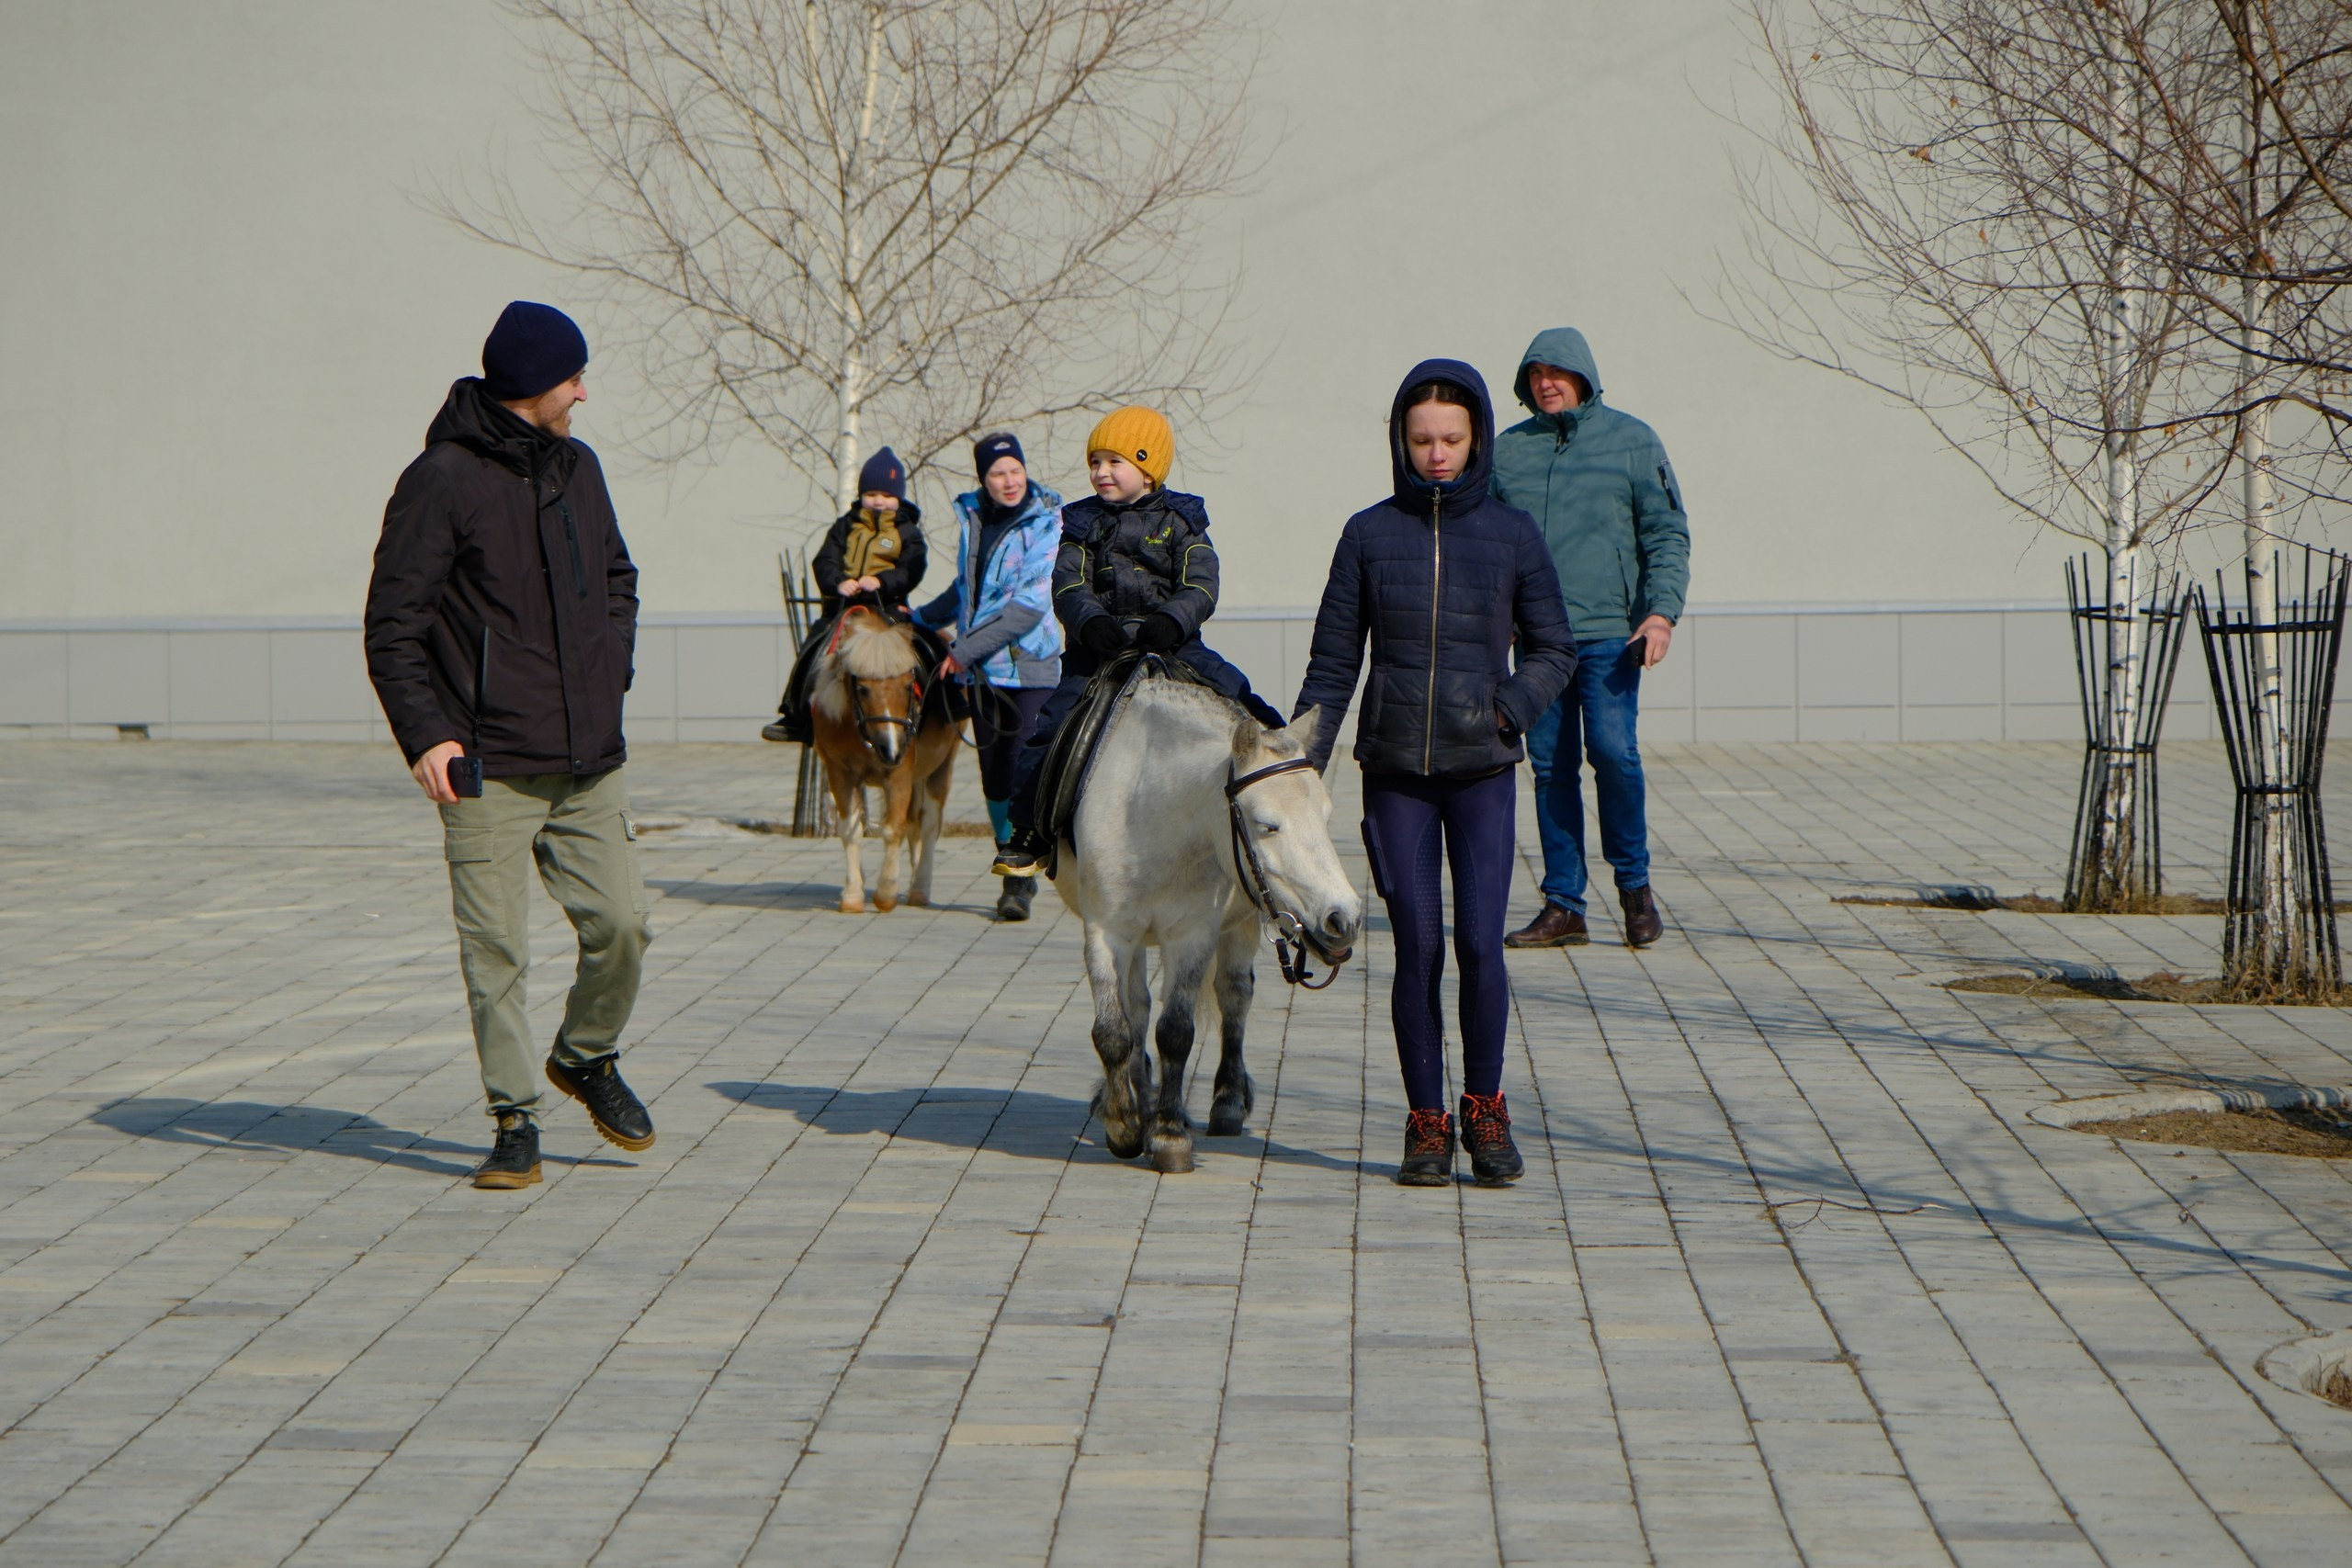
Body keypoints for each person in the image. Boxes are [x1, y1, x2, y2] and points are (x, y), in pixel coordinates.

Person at [364, 300, 657, 1190]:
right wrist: (427, 737)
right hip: (486, 766)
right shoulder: (441, 481)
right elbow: (391, 627)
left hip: (587, 758)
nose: (584, 391)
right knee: (497, 953)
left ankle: (587, 1056)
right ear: (536, 385)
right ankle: (514, 1119)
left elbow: (618, 579)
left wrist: (611, 673)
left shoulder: (580, 468)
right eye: (574, 377)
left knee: (624, 926)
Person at [1292, 360, 1576, 1188]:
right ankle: (1426, 1124)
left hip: (1482, 769)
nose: (1438, 454)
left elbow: (1555, 647)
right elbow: (1333, 663)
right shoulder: (1368, 534)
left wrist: (1509, 708)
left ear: (1477, 437)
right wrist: (1303, 765)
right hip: (1397, 774)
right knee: (1415, 949)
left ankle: (1485, 1113)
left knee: (1481, 946)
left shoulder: (1514, 533)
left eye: (1452, 439)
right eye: (1422, 440)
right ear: (1400, 441)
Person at [990, 405, 1282, 875]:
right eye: (1095, 462)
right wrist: (1089, 623)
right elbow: (1067, 584)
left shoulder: (1182, 520)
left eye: (1115, 461)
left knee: (1237, 691)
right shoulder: (1082, 524)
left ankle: (1279, 771)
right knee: (1050, 728)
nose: (1101, 472)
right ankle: (1028, 831)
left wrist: (1171, 620)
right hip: (1098, 647)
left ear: (1148, 471)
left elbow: (1202, 584)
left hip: (1171, 640)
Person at [1490, 328, 1690, 950]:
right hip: (1540, 642)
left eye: (1558, 370)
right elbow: (1489, 548)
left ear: (1583, 373)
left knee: (1612, 752)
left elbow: (1667, 534)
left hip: (1610, 634)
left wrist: (1661, 614)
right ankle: (1564, 904)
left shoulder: (1632, 441)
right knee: (1550, 768)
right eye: (1536, 372)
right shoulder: (1506, 454)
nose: (1546, 382)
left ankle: (1635, 889)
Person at [914, 433, 1064, 920]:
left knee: (1022, 770)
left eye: (1015, 470)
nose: (1009, 481)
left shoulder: (1047, 521)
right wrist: (915, 618)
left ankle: (1021, 881)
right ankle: (1008, 859)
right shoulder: (974, 519)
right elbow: (968, 588)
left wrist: (962, 650)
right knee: (994, 777)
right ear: (983, 478)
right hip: (982, 673)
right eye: (998, 473)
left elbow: (1028, 606)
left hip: (1030, 669)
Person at [761, 447, 930, 743]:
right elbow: (824, 560)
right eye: (872, 493)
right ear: (862, 493)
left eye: (888, 495)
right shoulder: (845, 526)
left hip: (887, 607)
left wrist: (881, 582)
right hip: (844, 607)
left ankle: (935, 709)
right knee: (814, 646)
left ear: (899, 498)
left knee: (922, 649)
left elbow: (912, 568)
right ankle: (794, 713)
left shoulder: (907, 532)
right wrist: (839, 582)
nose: (880, 501)